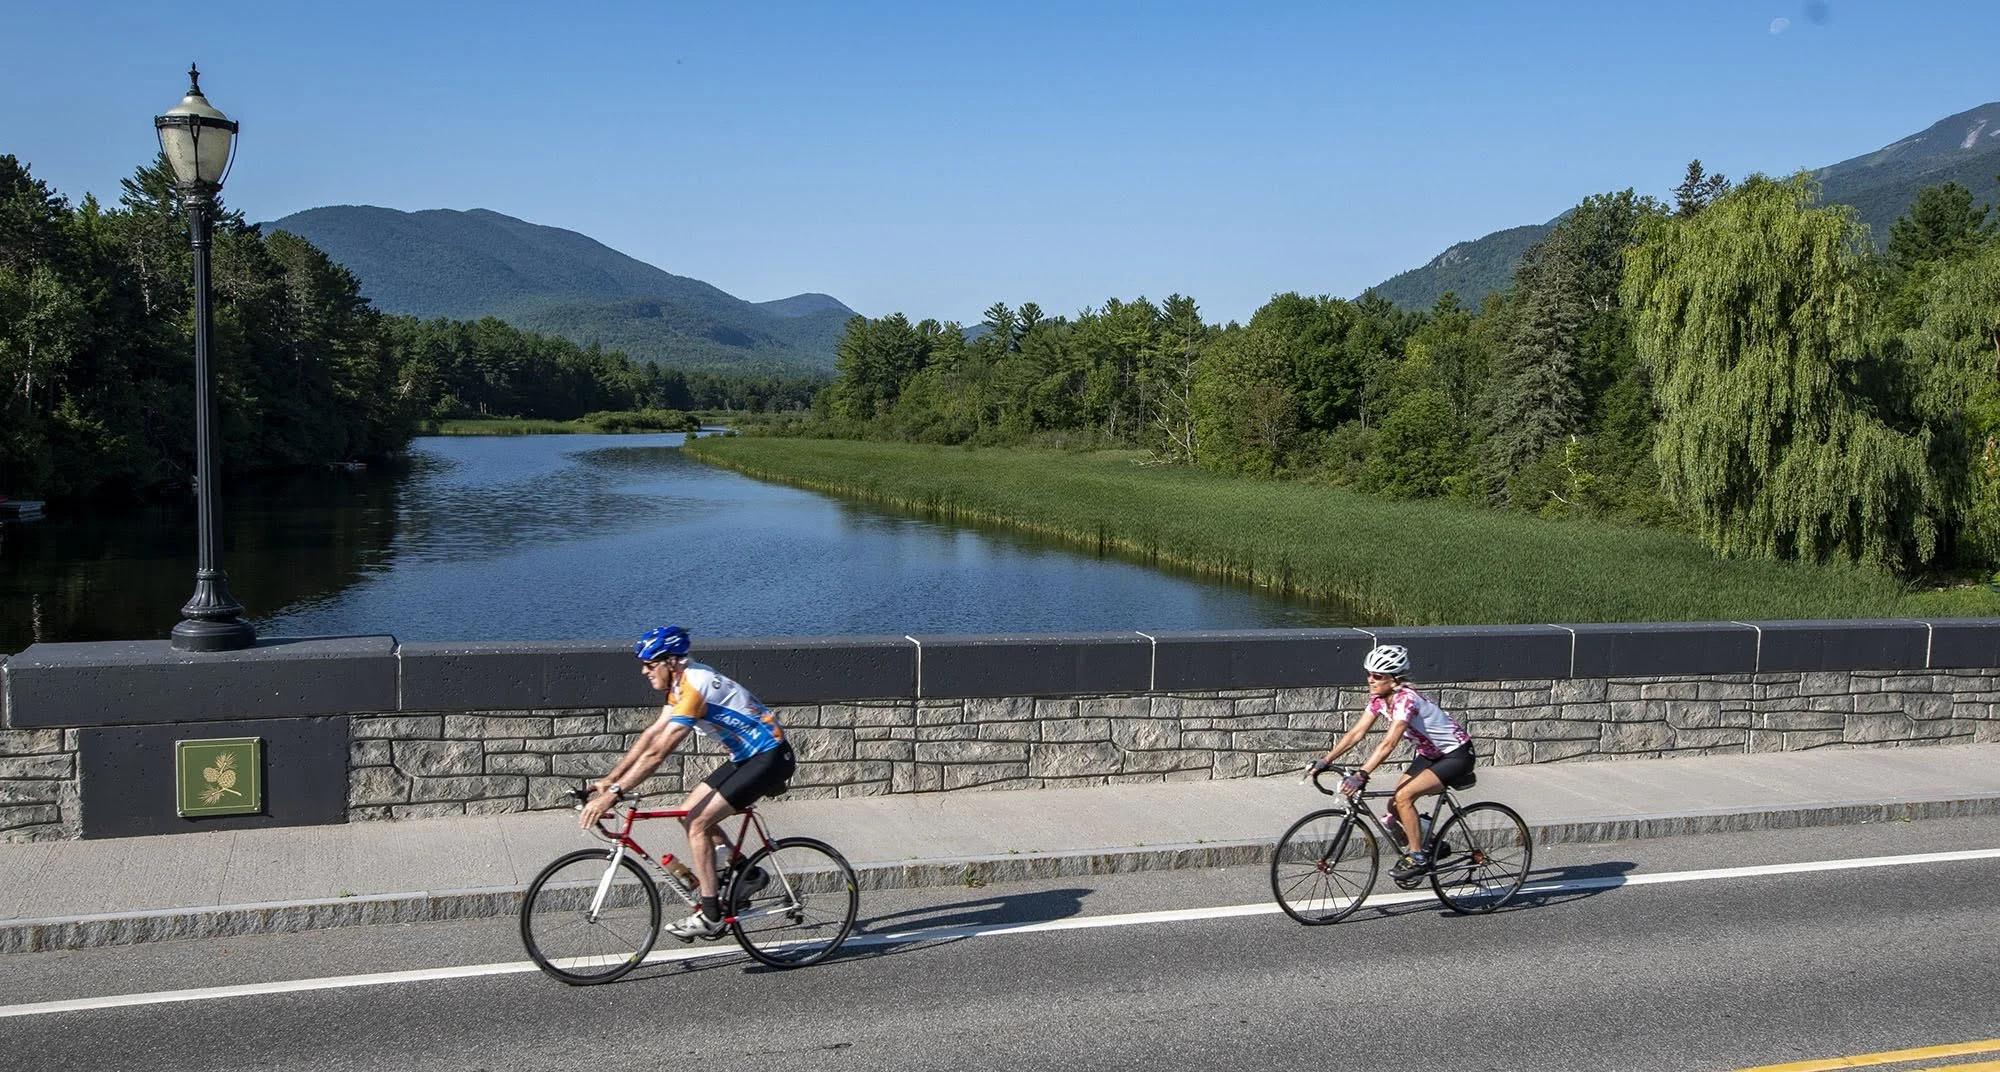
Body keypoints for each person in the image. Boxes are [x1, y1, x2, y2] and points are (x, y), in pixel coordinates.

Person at [581, 625, 796, 940]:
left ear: (671, 662)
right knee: (687, 813)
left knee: (697, 824)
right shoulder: (680, 685)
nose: (644, 671)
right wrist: (610, 779)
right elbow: (652, 735)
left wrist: (614, 795)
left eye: (650, 664)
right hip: (746, 757)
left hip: (770, 757)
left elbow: (658, 755)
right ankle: (746, 874)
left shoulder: (695, 687)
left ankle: (710, 915)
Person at [1308, 644, 1475, 882]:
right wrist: (1326, 760)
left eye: (1378, 676)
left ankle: (1417, 857)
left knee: (1404, 797)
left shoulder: (1406, 700)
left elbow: (1388, 744)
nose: (1371, 680)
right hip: (1429, 755)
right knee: (1394, 806)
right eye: (1369, 674)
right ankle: (1435, 844)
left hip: (1456, 755)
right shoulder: (1378, 700)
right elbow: (1356, 733)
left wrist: (1362, 774)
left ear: (1394, 679)